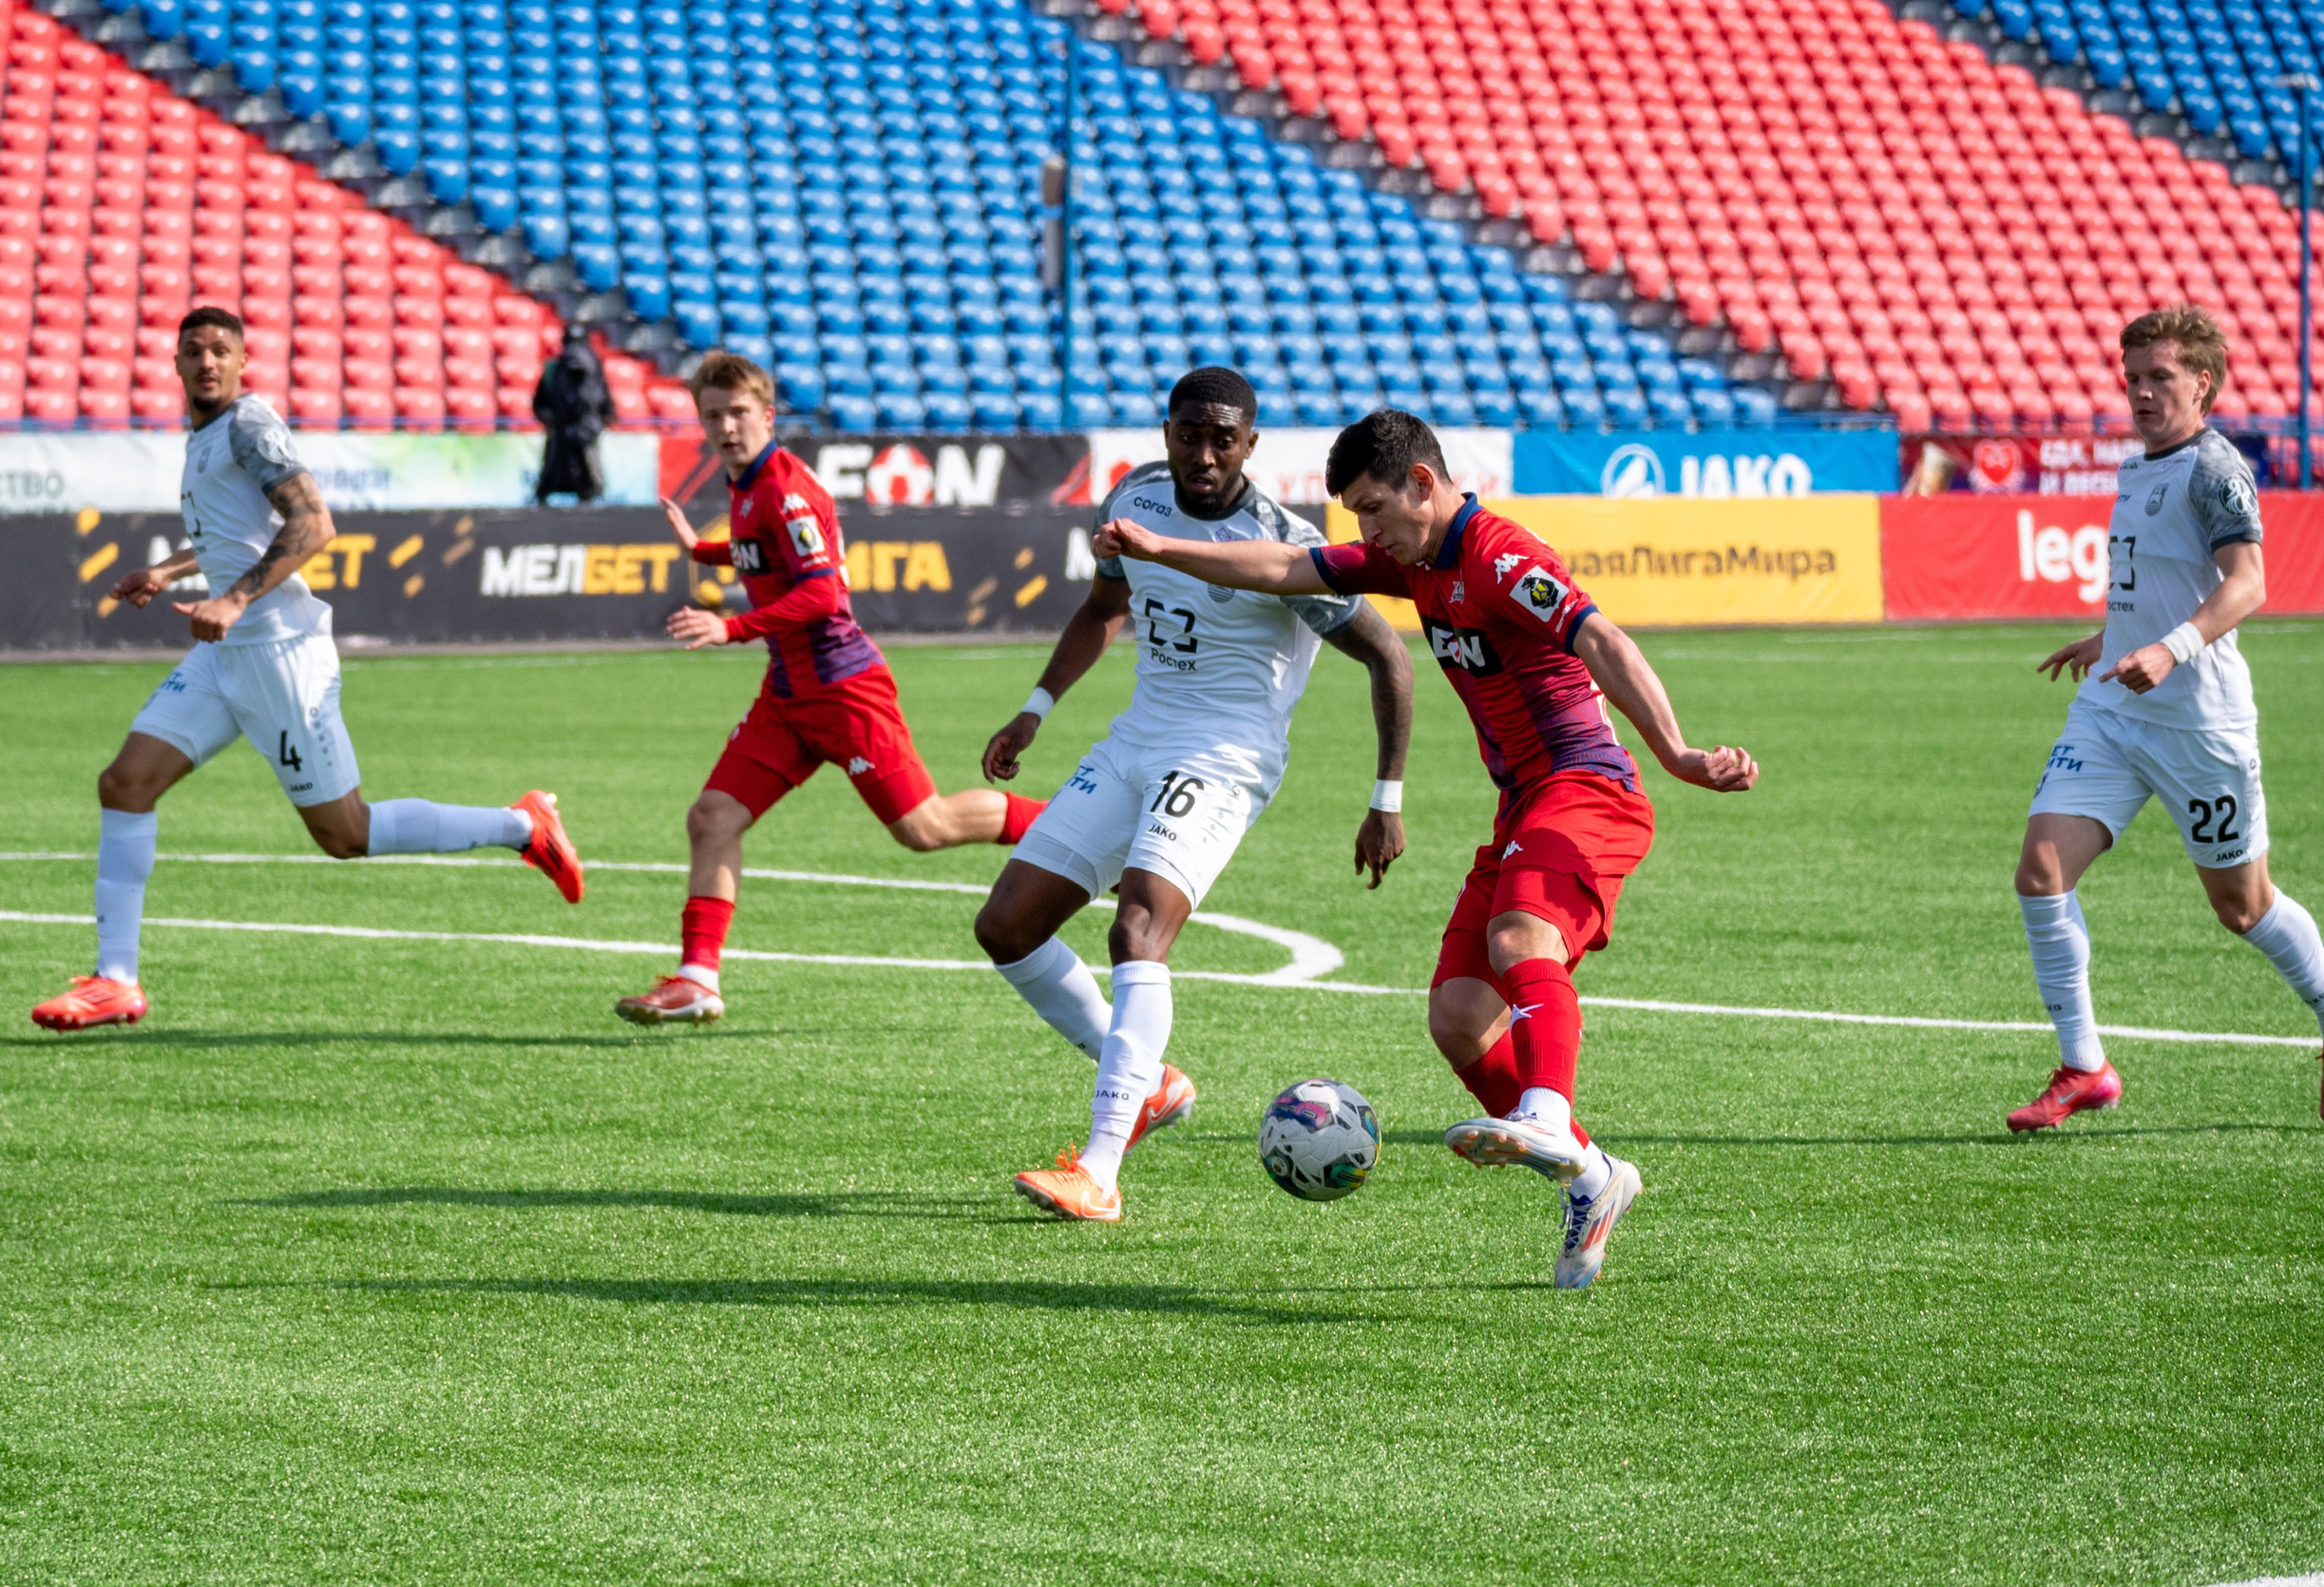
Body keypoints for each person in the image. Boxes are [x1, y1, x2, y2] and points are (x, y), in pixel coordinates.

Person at [1096, 409, 1758, 1287]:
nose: (1367, 533)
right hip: (1523, 804)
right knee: (1456, 1020)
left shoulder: (1498, 554)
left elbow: (1600, 636)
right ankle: (1596, 1180)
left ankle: (1549, 1117)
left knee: (1523, 938)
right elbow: (1288, 568)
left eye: (1374, 509)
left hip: (1588, 787)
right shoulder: (1416, 561)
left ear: (1422, 485)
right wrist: (1159, 548)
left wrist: (1677, 752)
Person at [30, 306, 582, 1032]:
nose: (206, 361)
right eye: (193, 350)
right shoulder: (202, 438)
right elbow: (236, 531)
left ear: (241, 362)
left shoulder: (249, 426)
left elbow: (314, 523)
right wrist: (167, 570)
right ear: (173, 363)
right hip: (227, 653)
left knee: (344, 833)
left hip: (280, 654)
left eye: (220, 351)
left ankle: (522, 825)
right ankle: (116, 979)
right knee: (125, 783)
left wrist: (231, 598)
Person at [975, 368, 1415, 1223]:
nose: (1203, 453)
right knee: (1007, 924)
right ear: (1167, 430)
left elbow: (1390, 658)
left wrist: (1385, 797)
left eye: (1224, 437)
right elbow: (1105, 607)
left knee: (1136, 925)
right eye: (1189, 433)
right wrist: (1034, 711)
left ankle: (1099, 1171)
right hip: (1137, 737)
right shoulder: (1136, 499)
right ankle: (1147, 1077)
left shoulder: (1283, 543)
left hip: (1225, 757)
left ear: (1251, 443)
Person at [2007, 304, 2324, 1132]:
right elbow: (2161, 581)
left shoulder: (2215, 468)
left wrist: (2169, 647)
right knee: (2040, 871)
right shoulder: (2141, 467)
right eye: (2131, 377)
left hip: (2199, 725)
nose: (2139, 392)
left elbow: (2247, 583)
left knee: (2242, 907)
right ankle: (2084, 1064)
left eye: (2158, 377)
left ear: (2202, 383)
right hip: (2112, 707)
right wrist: (2111, 638)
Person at [618, 351, 1046, 1025]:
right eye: (713, 415)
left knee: (924, 827)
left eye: (738, 413)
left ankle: (1074, 826)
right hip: (787, 696)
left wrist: (731, 628)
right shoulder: (747, 484)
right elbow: (765, 550)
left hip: (843, 689)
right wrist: (706, 553)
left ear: (767, 414)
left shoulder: (786, 487)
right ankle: (698, 976)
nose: (727, 426)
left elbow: (821, 592)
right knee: (712, 817)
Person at [532, 330, 611, 505]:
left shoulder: (593, 368)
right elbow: (540, 402)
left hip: (583, 429)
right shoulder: (553, 369)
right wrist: (552, 419)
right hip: (563, 430)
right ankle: (545, 495)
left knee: (589, 468)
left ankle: (592, 494)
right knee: (554, 466)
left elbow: (602, 397)